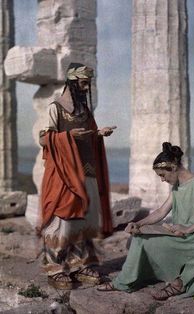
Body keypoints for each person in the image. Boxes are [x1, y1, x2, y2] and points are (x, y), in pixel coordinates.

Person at [97, 142, 194, 300]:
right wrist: (139, 223)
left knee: (142, 242)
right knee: (139, 236)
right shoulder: (177, 187)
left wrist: (187, 229)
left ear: (172, 168)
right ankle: (125, 281)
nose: (162, 180)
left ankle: (123, 283)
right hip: (184, 235)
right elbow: (161, 211)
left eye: (162, 175)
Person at [37, 62, 115, 290]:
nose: (86, 87)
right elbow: (44, 139)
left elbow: (88, 134)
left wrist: (99, 133)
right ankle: (56, 269)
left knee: (86, 220)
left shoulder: (85, 112)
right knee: (63, 221)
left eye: (88, 83)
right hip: (64, 173)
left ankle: (80, 265)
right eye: (82, 83)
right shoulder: (55, 108)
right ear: (71, 83)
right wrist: (67, 135)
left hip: (87, 171)